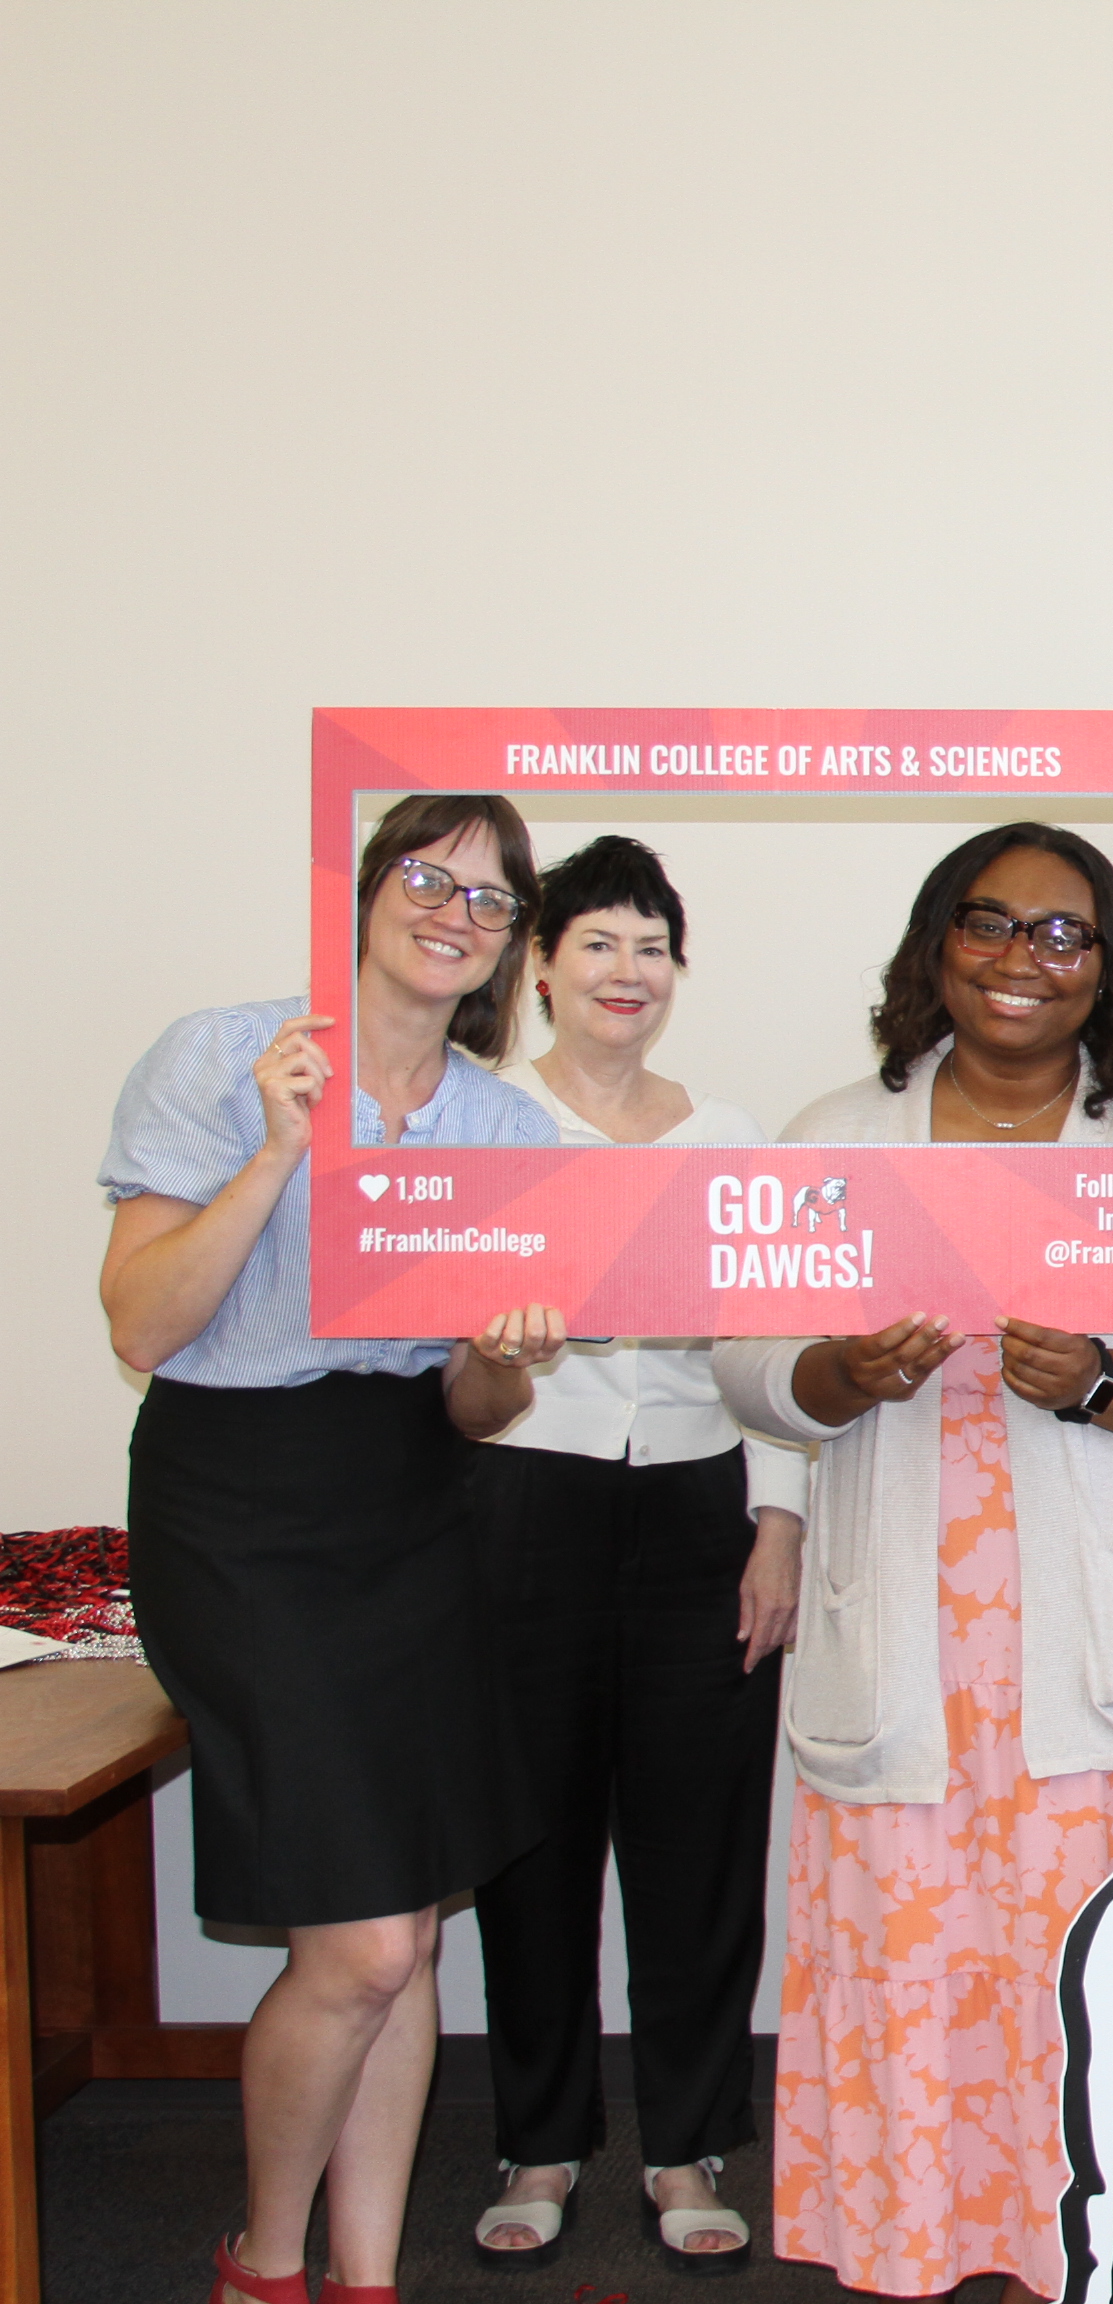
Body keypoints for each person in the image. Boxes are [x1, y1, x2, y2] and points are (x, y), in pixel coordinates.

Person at [713, 823, 1113, 2299]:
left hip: (1101, 1637)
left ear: (1106, 971)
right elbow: (745, 1368)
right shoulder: (834, 1137)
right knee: (916, 1952)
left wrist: (1102, 1379)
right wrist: (844, 1374)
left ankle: (1108, 2241)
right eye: (989, 924)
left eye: (1061, 934)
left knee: (1100, 1958)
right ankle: (921, 2234)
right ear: (936, 946)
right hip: (903, 1635)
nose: (1022, 959)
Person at [99, 794, 562, 2304]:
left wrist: (513, 1352)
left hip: (409, 1499)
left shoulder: (502, 1125)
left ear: (510, 942)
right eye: (429, 876)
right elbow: (142, 1321)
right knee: (363, 1947)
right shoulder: (225, 1058)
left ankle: (365, 2277)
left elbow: (475, 1403)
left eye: (491, 899)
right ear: (364, 891)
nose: (455, 912)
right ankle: (266, 2260)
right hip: (235, 1504)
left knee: (408, 1932)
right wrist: (281, 1152)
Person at [467, 838, 812, 2271]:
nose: (628, 972)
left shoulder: (729, 1137)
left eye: (652, 947)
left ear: (678, 973)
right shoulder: (479, 1126)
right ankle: (537, 2143)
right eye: (598, 943)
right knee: (528, 1843)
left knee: (700, 1847)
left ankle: (686, 2146)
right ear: (540, 962)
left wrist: (778, 1524)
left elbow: (773, 1351)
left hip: (696, 1509)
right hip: (518, 1504)